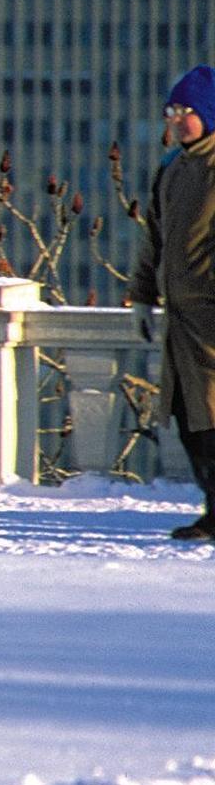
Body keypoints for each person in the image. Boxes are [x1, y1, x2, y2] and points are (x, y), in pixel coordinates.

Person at [129, 64, 215, 541]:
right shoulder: (173, 169)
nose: (177, 120)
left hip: (208, 317)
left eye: (187, 112)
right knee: (192, 421)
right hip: (180, 323)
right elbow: (154, 242)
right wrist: (143, 296)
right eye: (171, 111)